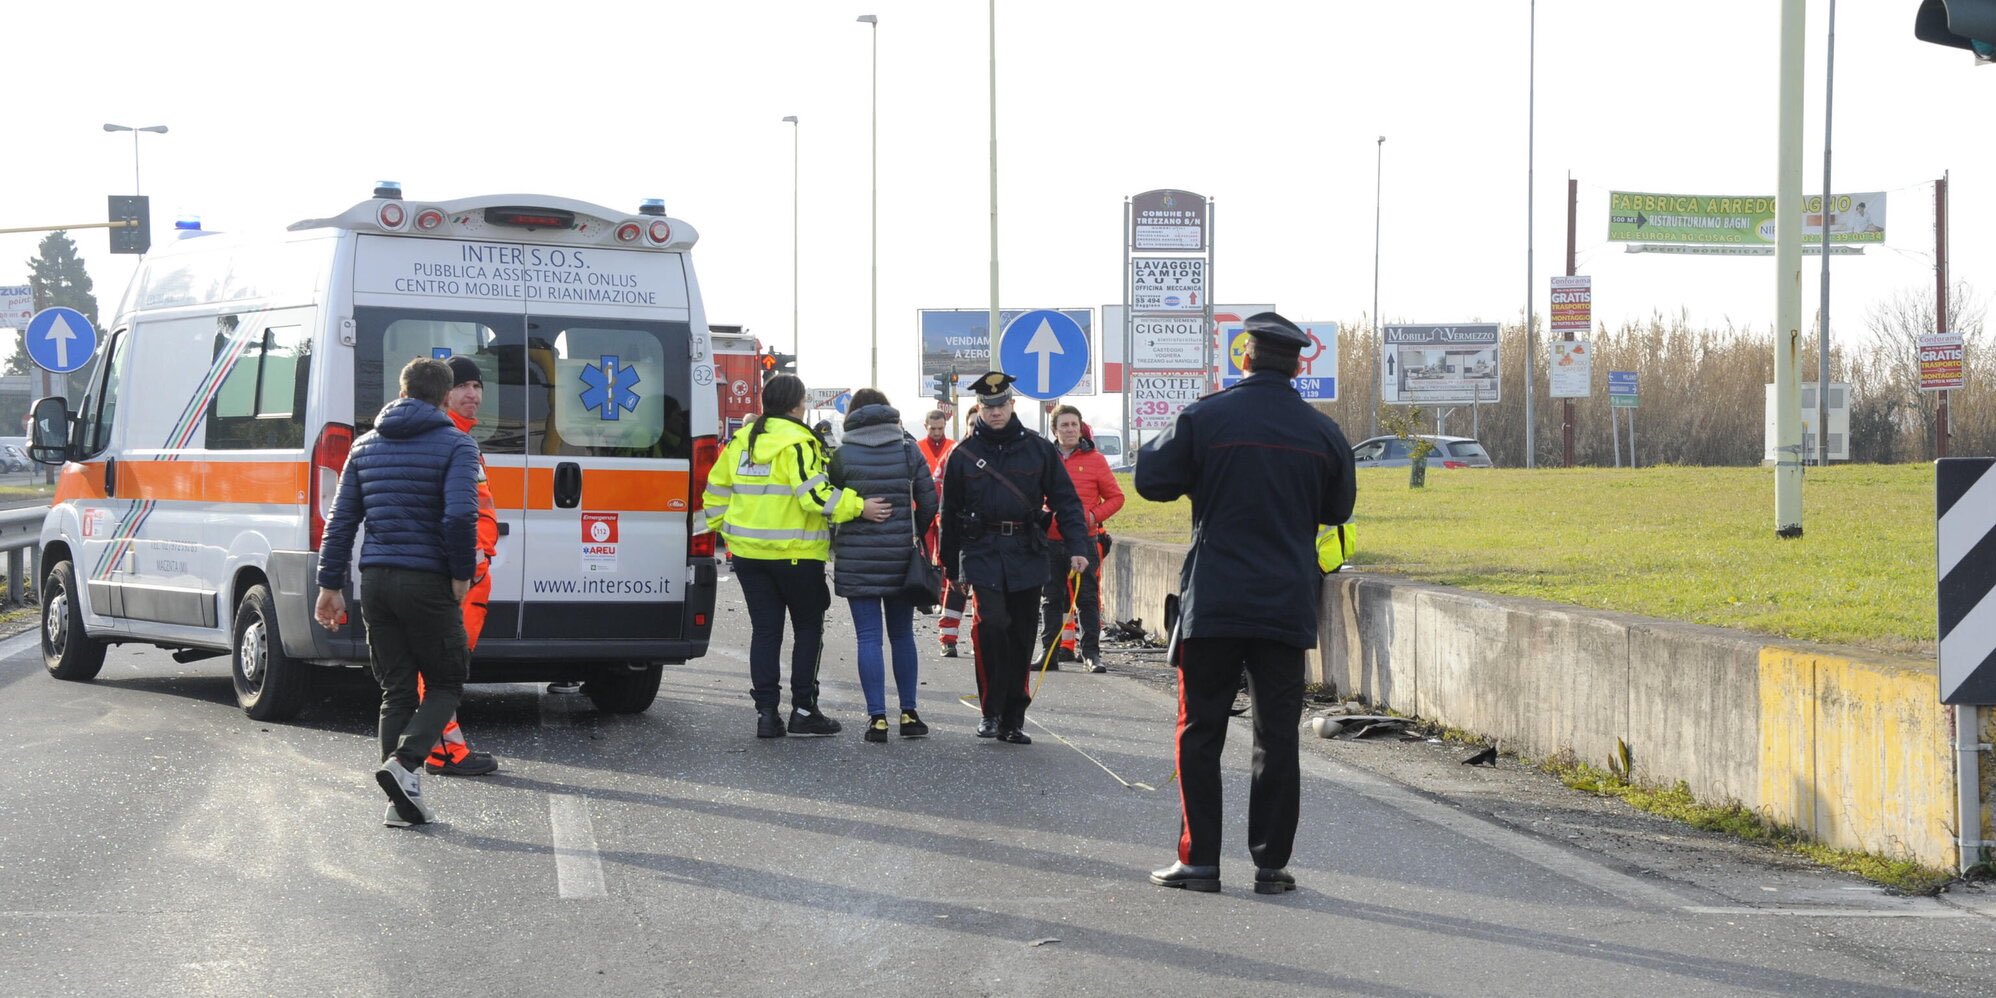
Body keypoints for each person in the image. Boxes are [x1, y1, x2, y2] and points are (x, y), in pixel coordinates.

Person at [1134, 311, 1356, 894]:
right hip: (1285, 602)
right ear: (1299, 363)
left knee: (1199, 730)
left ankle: (1199, 859)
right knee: (1276, 737)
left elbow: (1150, 481)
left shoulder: (1206, 417)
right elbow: (1338, 509)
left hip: (1214, 602)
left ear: (1245, 358)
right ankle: (1271, 864)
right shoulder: (1323, 432)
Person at [315, 357, 482, 828]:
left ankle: (400, 805)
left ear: (402, 390)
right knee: (447, 681)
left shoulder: (364, 447)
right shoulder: (457, 445)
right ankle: (406, 762)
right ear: (446, 397)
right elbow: (458, 516)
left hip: (377, 583)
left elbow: (341, 521)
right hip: (427, 580)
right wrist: (460, 572)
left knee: (396, 691)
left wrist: (329, 585)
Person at [703, 374, 891, 738]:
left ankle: (767, 715)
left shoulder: (742, 441)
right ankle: (804, 710)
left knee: (765, 632)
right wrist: (859, 507)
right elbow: (815, 497)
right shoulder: (799, 442)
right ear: (795, 406)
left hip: (747, 556)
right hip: (796, 556)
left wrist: (729, 532)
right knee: (807, 630)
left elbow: (714, 494)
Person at [938, 373, 1090, 745]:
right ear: (980, 409)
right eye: (988, 407)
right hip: (981, 550)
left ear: (1011, 405)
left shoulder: (1039, 450)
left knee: (1021, 633)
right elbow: (949, 512)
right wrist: (949, 566)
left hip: (1026, 550)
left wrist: (1078, 546)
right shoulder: (963, 454)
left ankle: (1013, 717)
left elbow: (1066, 501)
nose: (995, 412)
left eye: (1001, 405)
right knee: (992, 626)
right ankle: (990, 712)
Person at [828, 388, 938, 742]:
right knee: (902, 635)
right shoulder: (909, 450)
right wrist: (913, 532)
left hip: (857, 557)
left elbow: (829, 503)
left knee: (868, 638)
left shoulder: (842, 455)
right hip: (901, 558)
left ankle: (877, 719)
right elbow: (929, 499)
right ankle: (909, 714)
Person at [419, 356, 502, 776]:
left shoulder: (460, 438)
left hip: (468, 572)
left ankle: (436, 748)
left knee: (443, 664)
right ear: (444, 393)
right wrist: (473, 562)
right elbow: (456, 514)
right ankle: (444, 752)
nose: (473, 394)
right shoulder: (449, 439)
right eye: (463, 386)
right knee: (443, 666)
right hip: (460, 575)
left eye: (477, 385)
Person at [1038, 405, 1123, 674]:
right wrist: (1042, 516)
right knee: (1051, 599)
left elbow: (1117, 498)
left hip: (1085, 540)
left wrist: (1092, 516)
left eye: (1074, 424)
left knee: (1087, 598)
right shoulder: (1044, 459)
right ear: (1055, 430)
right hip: (1050, 540)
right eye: (1064, 425)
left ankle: (1091, 654)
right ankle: (1048, 654)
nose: (1070, 429)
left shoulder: (1096, 460)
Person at [933, 404, 976, 657]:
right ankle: (948, 638)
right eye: (970, 425)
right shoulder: (955, 453)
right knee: (955, 584)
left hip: (982, 532)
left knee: (981, 589)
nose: (973, 429)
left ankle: (977, 640)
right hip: (957, 529)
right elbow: (938, 486)